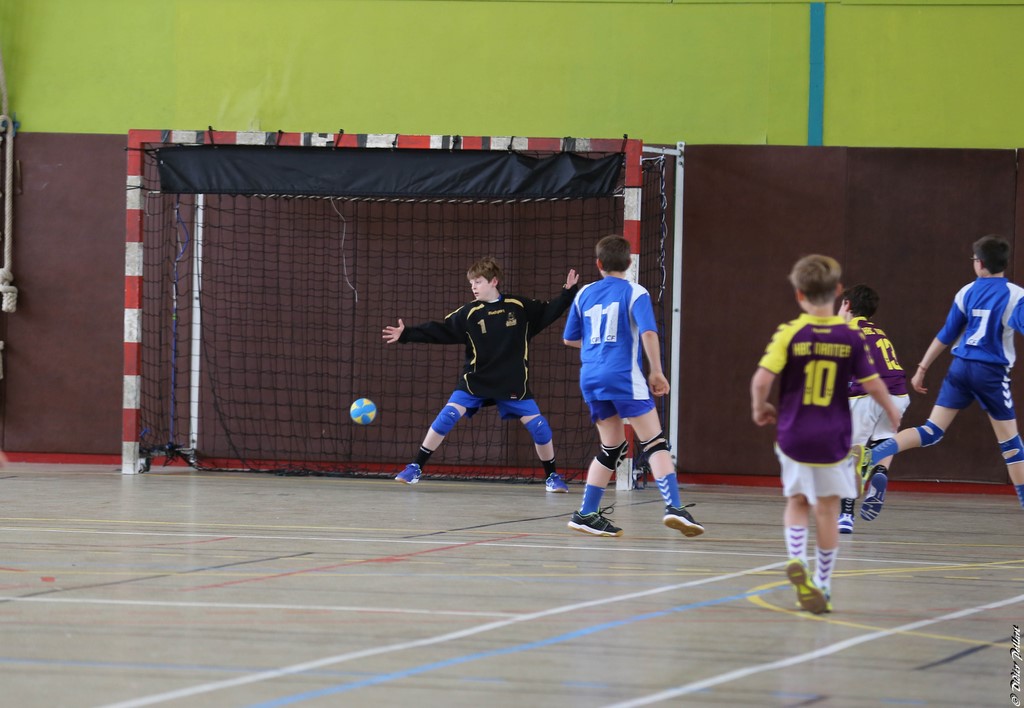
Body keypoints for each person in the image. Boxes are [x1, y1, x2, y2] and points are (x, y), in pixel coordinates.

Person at [751, 255, 899, 614]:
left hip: (793, 434)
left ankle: (796, 559)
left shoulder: (790, 333)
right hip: (833, 437)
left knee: (797, 501)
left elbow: (761, 380)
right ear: (837, 292)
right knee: (829, 511)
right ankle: (823, 583)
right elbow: (872, 383)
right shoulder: (850, 337)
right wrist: (891, 410)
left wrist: (760, 408)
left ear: (799, 294)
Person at [382, 256, 579, 492]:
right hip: (476, 381)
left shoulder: (519, 307)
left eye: (478, 282)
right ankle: (415, 467)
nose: (473, 287)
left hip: (511, 383)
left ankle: (552, 477)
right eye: (471, 283)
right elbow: (440, 330)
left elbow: (549, 311)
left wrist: (567, 293)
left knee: (540, 428)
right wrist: (406, 334)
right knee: (447, 416)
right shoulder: (469, 313)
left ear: (494, 281)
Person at [861, 235, 1024, 510]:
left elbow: (946, 334)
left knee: (931, 430)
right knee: (1011, 445)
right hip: (990, 373)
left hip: (959, 367)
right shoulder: (1016, 295)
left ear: (980, 263)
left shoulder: (966, 292)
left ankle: (875, 453)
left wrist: (922, 368)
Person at [561, 235, 704, 538]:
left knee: (612, 447)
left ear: (598, 264)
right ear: (629, 263)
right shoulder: (635, 291)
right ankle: (675, 507)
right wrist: (657, 372)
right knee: (654, 442)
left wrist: (598, 346)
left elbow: (569, 338)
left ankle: (586, 513)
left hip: (591, 377)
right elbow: (649, 333)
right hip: (622, 375)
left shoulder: (584, 293)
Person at [836, 284, 911, 534]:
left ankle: (846, 515)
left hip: (868, 394)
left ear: (847, 305)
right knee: (883, 440)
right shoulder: (879, 332)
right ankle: (879, 472)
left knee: (851, 452)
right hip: (898, 394)